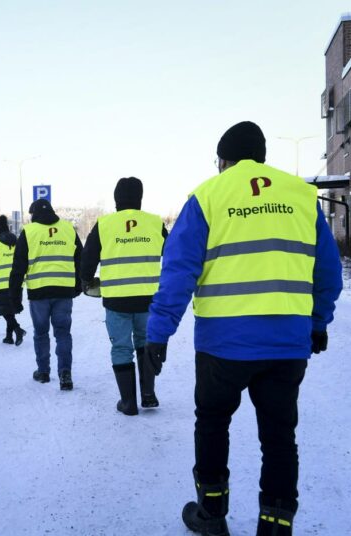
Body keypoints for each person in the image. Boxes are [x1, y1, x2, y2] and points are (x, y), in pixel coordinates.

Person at [143, 122, 342, 535]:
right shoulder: (299, 196)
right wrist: (317, 322)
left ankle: (212, 514)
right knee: (279, 437)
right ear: (262, 157)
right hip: (288, 345)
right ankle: (275, 524)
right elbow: (328, 272)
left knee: (213, 424)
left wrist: (159, 333)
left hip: (223, 346)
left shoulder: (209, 196)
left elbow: (179, 271)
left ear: (222, 160)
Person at [80, 177, 167, 415]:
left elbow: (88, 259)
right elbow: (172, 253)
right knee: (145, 343)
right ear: (140, 198)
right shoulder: (154, 223)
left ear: (116, 199)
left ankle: (128, 403)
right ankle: (148, 395)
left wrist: (86, 281)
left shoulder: (105, 224)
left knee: (121, 347)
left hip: (116, 300)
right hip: (148, 298)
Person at [9, 198, 82, 390]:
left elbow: (18, 268)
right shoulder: (68, 229)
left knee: (41, 333)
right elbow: (80, 258)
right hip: (64, 290)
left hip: (39, 292)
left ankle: (43, 372)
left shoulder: (29, 232)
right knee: (63, 333)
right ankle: (65, 373)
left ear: (33, 215)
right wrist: (78, 285)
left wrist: (15, 298)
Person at [0, 214, 26, 345]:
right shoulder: (17, 242)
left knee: (5, 311)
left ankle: (17, 329)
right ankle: (8, 337)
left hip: (2, 283)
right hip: (16, 282)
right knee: (10, 309)